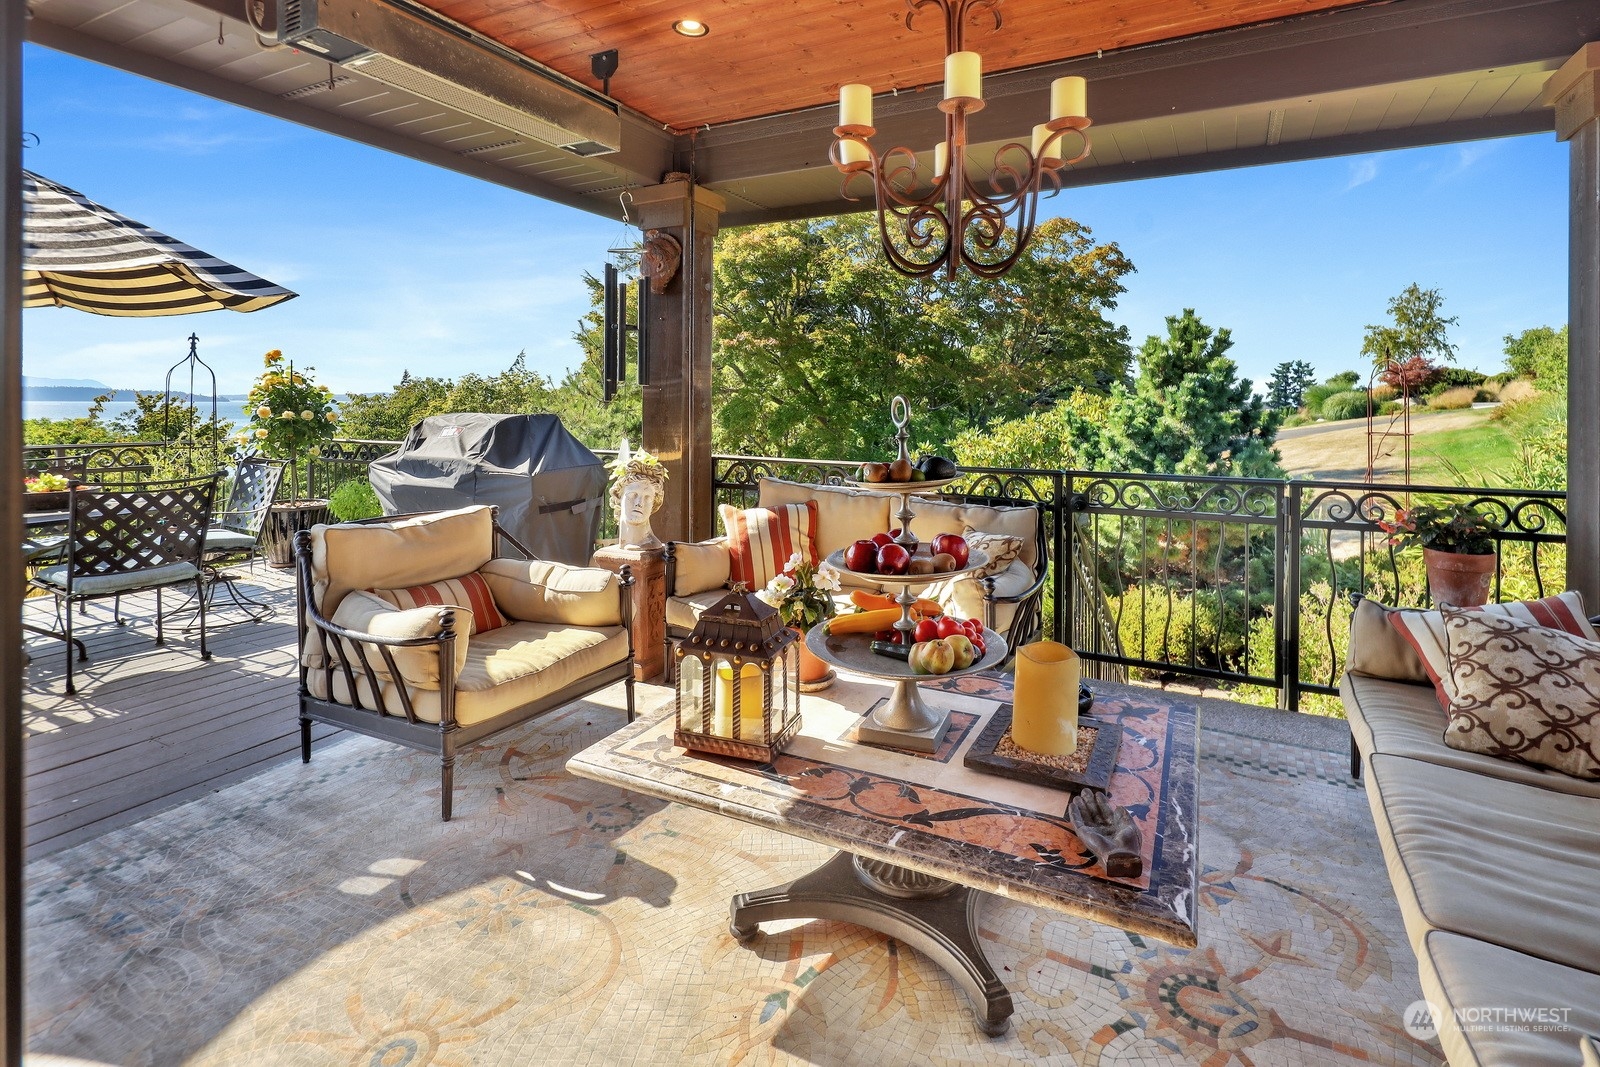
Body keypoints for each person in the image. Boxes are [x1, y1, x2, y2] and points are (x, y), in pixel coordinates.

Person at [610, 441, 668, 549]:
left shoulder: (651, 545)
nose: (639, 503)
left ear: (654, 504)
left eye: (647, 498)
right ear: (618, 496)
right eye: (633, 495)